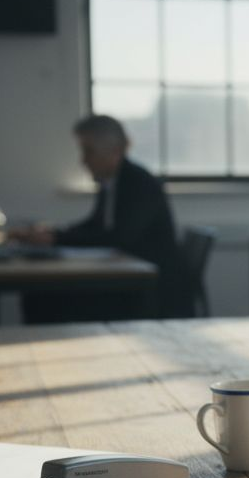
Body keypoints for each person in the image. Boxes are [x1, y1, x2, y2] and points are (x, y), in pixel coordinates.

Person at [18, 115, 190, 322]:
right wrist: (54, 233)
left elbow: (118, 238)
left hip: (147, 294)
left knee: (42, 300)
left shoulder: (139, 184)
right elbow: (95, 224)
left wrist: (56, 240)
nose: (83, 160)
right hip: (126, 282)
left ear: (115, 151)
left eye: (88, 151)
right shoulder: (111, 182)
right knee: (39, 296)